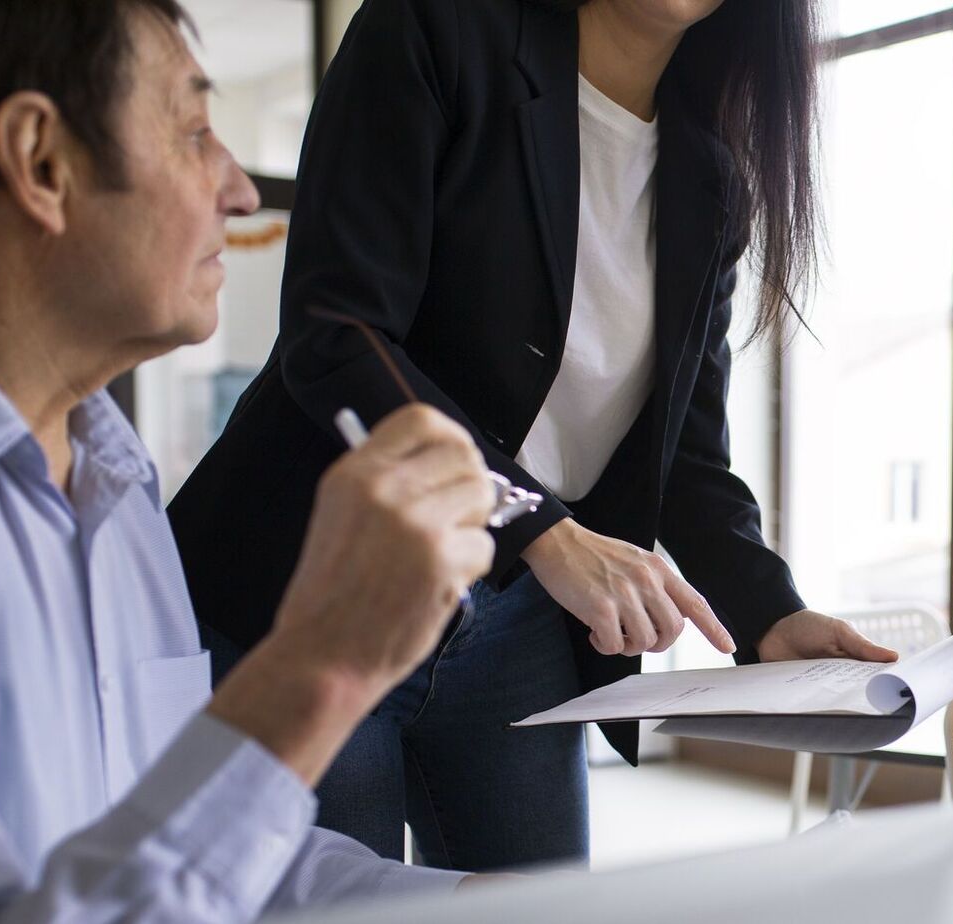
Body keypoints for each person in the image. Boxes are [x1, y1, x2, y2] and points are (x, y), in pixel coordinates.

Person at [166, 0, 892, 872]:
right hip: (316, 581)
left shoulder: (713, 181)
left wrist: (774, 616)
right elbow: (339, 331)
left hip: (515, 625)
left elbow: (686, 458)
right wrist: (544, 527)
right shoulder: (432, 31)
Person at [0, 1, 505, 919]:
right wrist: (324, 667)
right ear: (42, 161)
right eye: (194, 131)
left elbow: (225, 861)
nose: (237, 190)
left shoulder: (118, 488)